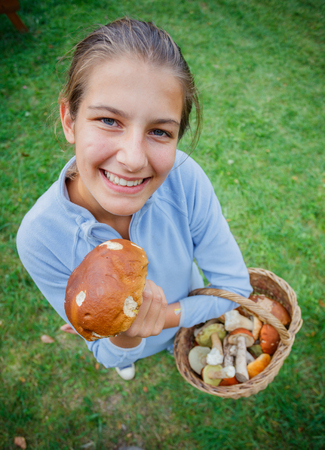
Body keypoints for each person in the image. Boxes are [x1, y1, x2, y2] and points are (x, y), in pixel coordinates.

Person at [16, 17, 252, 381]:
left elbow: (234, 290)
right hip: (130, 343)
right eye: (109, 120)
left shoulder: (185, 179)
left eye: (159, 131)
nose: (133, 158)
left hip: (185, 313)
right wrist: (124, 338)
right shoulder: (39, 238)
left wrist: (169, 316)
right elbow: (101, 347)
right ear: (69, 119)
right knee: (123, 360)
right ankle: (134, 361)